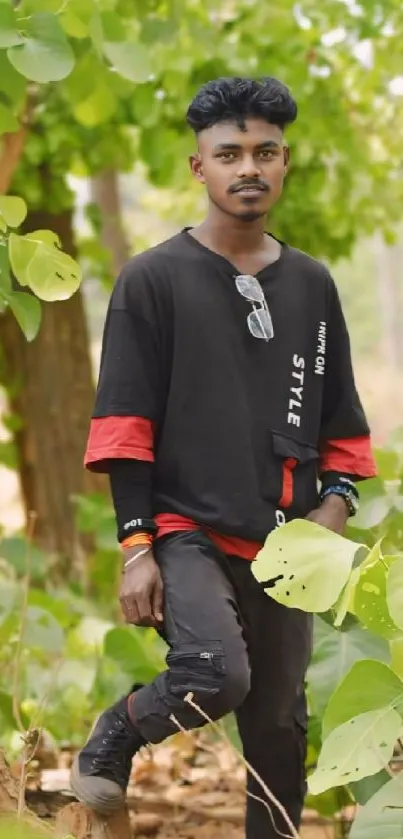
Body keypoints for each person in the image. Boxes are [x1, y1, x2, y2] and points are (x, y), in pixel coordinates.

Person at [71, 77, 376, 837]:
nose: (249, 166)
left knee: (278, 726)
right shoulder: (151, 281)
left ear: (284, 164)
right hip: (184, 528)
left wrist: (329, 514)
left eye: (265, 152)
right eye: (229, 152)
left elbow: (340, 426)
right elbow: (124, 428)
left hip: (286, 542)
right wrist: (137, 545)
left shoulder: (310, 283)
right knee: (215, 674)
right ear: (196, 167)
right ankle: (116, 731)